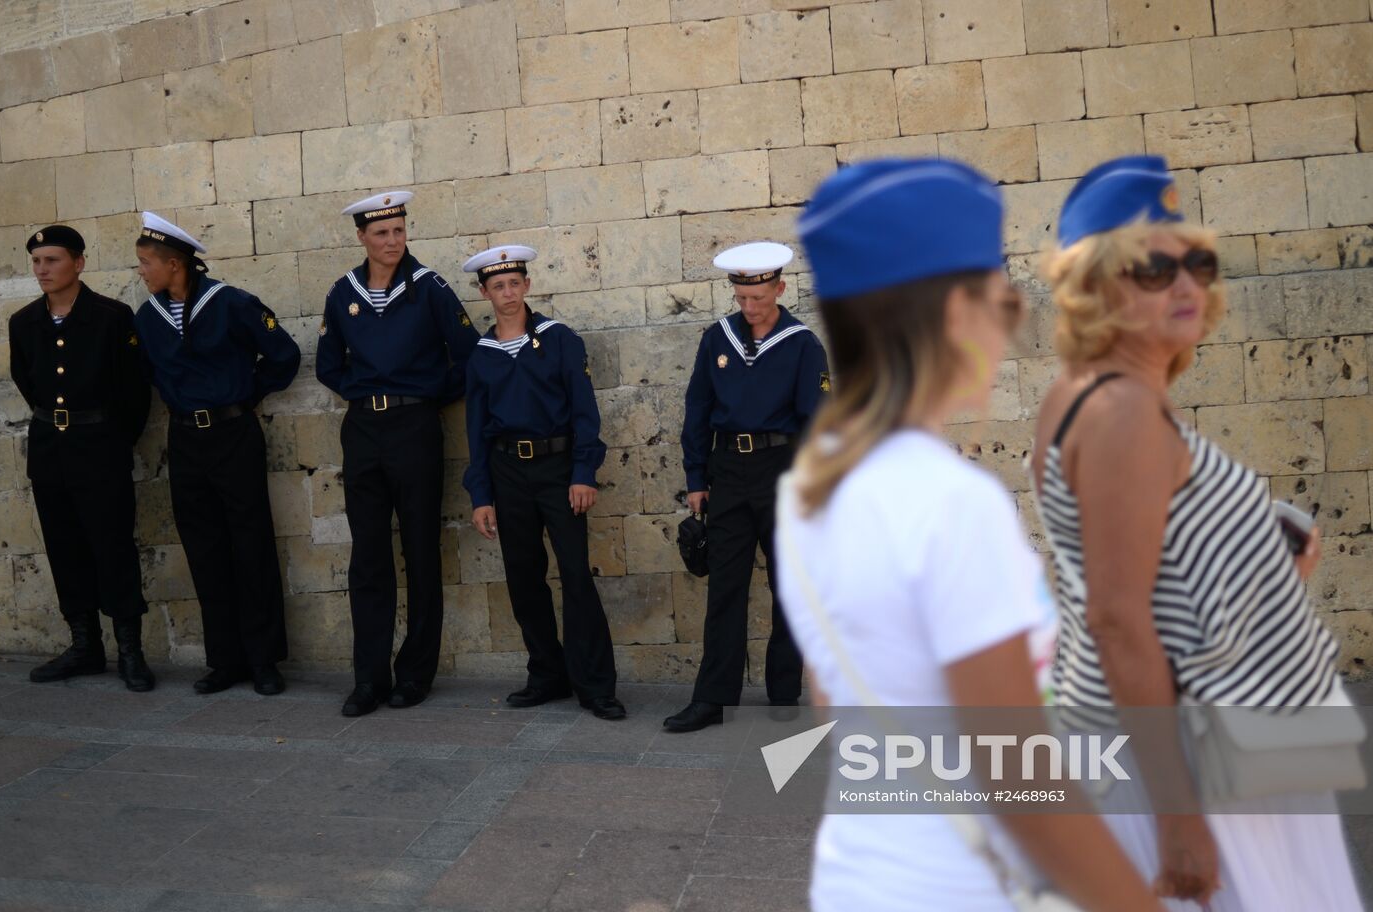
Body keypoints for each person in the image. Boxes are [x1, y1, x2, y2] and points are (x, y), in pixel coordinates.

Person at [775, 158, 1162, 911]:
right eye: (1005, 303)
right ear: (958, 315)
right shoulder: (952, 501)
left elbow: (843, 705)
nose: (1013, 324)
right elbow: (1018, 776)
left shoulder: (808, 486)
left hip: (858, 876)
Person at [1031, 155, 1361, 910]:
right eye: (1153, 267)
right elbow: (1117, 617)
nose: (1186, 284)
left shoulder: (1089, 396)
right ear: (1096, 283)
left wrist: (1261, 566)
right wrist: (1179, 819)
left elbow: (1151, 583)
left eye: (1198, 263)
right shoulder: (1121, 415)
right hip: (1200, 762)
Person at [316, 191, 480, 717]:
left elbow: (469, 355)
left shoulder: (429, 287)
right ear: (362, 237)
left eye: (399, 231)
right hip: (363, 428)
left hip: (415, 426)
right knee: (368, 557)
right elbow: (327, 364)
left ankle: (414, 674)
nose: (392, 241)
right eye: (381, 233)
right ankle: (369, 679)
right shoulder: (344, 292)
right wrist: (365, 393)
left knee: (420, 549)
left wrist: (428, 395)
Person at [664, 242, 828, 734]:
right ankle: (713, 699)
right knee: (725, 588)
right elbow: (697, 412)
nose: (750, 307)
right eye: (741, 298)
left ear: (779, 288)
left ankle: (784, 692)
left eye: (758, 297)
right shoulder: (717, 340)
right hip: (729, 471)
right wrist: (696, 479)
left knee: (790, 589)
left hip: (784, 472)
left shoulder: (802, 344)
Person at [134, 212, 299, 697]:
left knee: (250, 544)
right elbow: (148, 372)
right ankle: (224, 660)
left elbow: (283, 355)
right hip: (186, 440)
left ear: (175, 264)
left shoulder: (233, 304)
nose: (141, 271)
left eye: (146, 263)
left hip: (233, 434)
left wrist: (246, 396)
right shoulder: (148, 317)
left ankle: (263, 660)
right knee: (204, 548)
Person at [461, 245, 625, 721]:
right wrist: (481, 495)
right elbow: (476, 430)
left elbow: (584, 413)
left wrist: (582, 473)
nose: (508, 293)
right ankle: (546, 674)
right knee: (523, 577)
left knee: (575, 574)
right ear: (484, 293)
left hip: (558, 470)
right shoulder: (481, 355)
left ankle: (595, 686)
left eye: (515, 283)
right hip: (507, 472)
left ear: (527, 286)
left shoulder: (559, 340)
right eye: (498, 286)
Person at [9, 226, 154, 691]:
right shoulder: (24, 322)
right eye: (36, 262)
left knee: (113, 547)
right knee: (65, 547)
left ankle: (130, 650)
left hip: (100, 448)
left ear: (79, 263)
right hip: (51, 449)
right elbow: (27, 382)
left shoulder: (112, 318)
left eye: (52, 260)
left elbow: (134, 392)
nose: (42, 270)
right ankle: (85, 646)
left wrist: (113, 440)